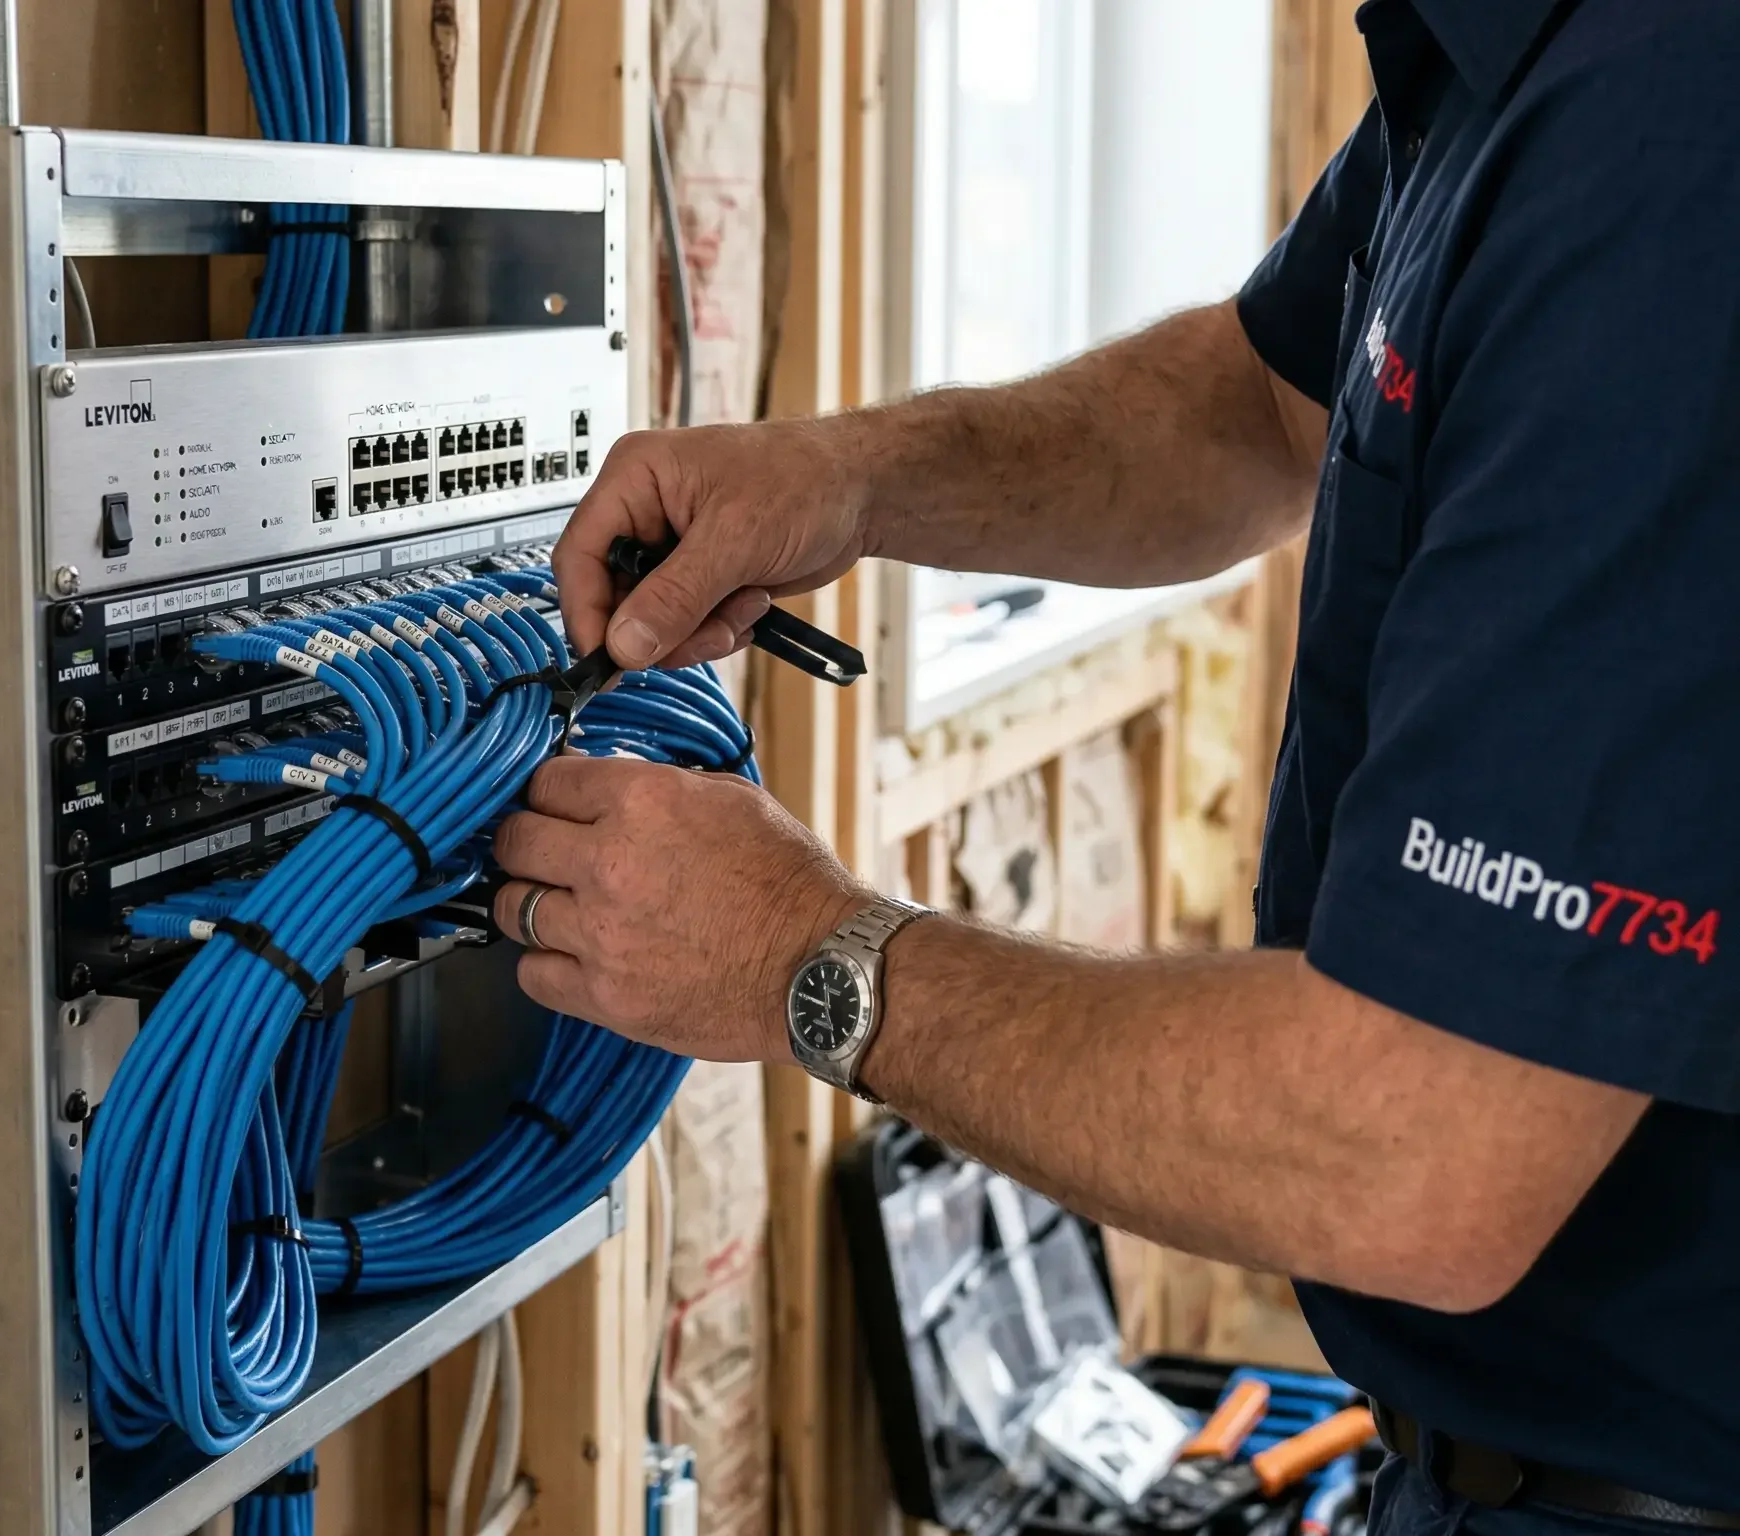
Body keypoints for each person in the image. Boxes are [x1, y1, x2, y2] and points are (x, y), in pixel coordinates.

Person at [491, 1, 1740, 1527]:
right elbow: (1259, 402)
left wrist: (796, 951)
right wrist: (853, 474)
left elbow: (1413, 1142)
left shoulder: (1669, 125)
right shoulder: (1489, 70)